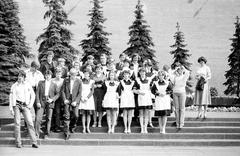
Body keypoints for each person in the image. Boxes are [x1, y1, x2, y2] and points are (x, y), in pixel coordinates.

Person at [9, 70, 38, 148]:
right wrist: (11, 108)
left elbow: (33, 95)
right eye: (19, 76)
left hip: (25, 105)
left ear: (24, 77)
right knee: (17, 124)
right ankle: (18, 143)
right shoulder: (14, 86)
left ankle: (34, 142)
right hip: (17, 105)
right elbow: (11, 98)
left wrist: (30, 104)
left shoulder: (27, 85)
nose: (19, 77)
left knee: (30, 122)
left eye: (21, 76)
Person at [35, 70, 59, 139]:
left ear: (51, 76)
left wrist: (52, 99)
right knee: (38, 118)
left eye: (49, 75)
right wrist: (38, 102)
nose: (47, 76)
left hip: (50, 102)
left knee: (48, 118)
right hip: (42, 101)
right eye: (46, 75)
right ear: (45, 76)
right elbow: (37, 93)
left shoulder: (54, 84)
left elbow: (58, 94)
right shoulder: (40, 83)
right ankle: (37, 134)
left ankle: (47, 134)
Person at [61, 68, 82, 140]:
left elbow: (80, 93)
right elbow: (62, 91)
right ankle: (66, 133)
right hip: (67, 99)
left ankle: (72, 126)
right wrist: (64, 99)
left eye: (74, 74)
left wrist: (76, 101)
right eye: (71, 74)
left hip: (75, 100)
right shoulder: (66, 80)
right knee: (67, 116)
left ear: (76, 74)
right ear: (69, 74)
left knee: (76, 115)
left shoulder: (79, 81)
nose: (73, 76)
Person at [133, 68, 153, 133]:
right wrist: (139, 92)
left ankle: (145, 128)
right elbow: (134, 90)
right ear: (139, 73)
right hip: (140, 97)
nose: (142, 73)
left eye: (143, 72)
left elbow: (151, 89)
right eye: (141, 72)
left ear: (145, 73)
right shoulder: (137, 80)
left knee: (146, 113)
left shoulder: (149, 80)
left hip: (147, 98)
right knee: (141, 113)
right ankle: (142, 128)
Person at [172, 64, 190, 130]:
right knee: (176, 109)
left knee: (182, 108)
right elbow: (170, 74)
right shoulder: (174, 77)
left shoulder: (184, 76)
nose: (180, 71)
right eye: (179, 70)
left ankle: (181, 123)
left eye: (180, 70)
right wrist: (175, 69)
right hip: (175, 93)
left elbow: (188, 73)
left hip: (182, 93)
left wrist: (184, 68)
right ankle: (177, 123)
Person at [79, 69, 95, 133]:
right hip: (82, 98)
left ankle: (88, 127)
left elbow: (92, 91)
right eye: (85, 74)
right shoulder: (80, 81)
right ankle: (83, 128)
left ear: (89, 75)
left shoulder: (92, 81)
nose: (86, 75)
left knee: (88, 114)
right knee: (83, 114)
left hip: (89, 99)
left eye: (87, 74)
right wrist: (81, 97)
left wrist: (87, 98)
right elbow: (79, 90)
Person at [51, 68, 64, 132]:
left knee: (58, 112)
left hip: (61, 98)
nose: (58, 75)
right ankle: (53, 126)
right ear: (55, 74)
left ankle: (58, 126)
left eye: (59, 74)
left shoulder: (63, 81)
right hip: (53, 98)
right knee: (54, 112)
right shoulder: (52, 80)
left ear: (61, 74)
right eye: (57, 74)